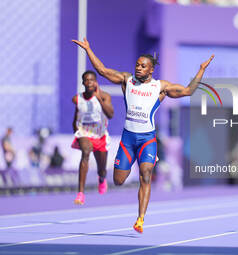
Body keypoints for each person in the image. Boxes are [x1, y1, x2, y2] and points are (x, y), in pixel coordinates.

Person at [72, 37, 214, 233]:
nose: (138, 68)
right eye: (137, 65)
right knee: (119, 180)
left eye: (143, 66)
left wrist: (201, 69)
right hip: (128, 140)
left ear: (150, 70)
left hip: (147, 140)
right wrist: (88, 49)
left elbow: (189, 90)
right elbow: (103, 71)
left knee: (146, 175)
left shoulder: (160, 87)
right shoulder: (126, 80)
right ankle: (116, 172)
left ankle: (140, 219)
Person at [71, 70, 114, 205]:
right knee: (85, 152)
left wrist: (99, 98)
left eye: (92, 80)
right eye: (86, 80)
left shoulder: (105, 96)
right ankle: (81, 193)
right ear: (83, 82)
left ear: (96, 82)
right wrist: (77, 133)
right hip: (84, 133)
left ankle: (101, 178)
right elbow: (76, 116)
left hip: (100, 135)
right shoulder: (77, 99)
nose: (89, 82)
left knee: (102, 168)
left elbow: (110, 114)